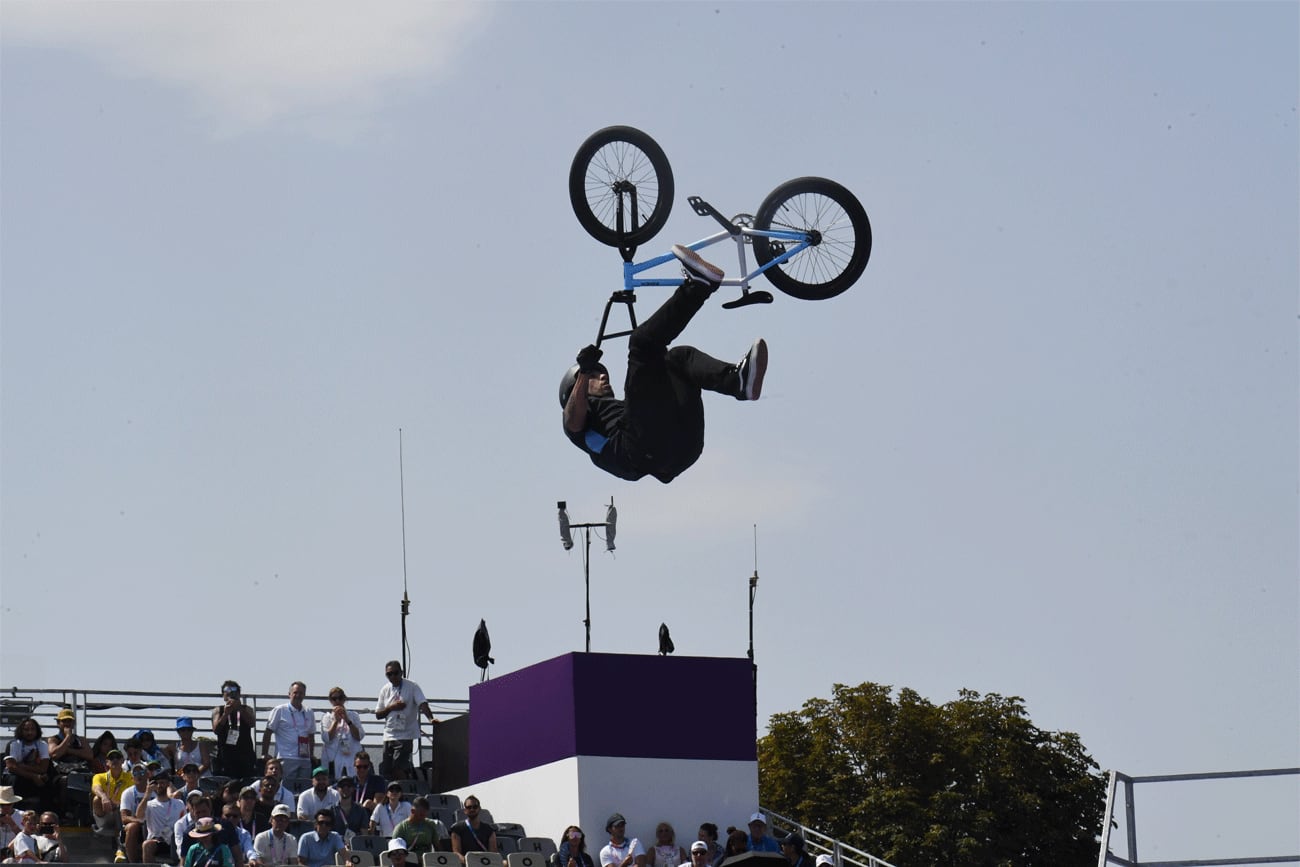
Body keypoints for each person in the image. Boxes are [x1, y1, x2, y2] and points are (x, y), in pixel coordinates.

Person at [560, 246, 767, 484]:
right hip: (639, 449)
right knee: (641, 343)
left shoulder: (622, 412)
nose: (603, 377)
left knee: (678, 359)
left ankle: (737, 381)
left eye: (600, 373)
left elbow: (649, 398)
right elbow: (573, 420)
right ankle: (698, 287)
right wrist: (585, 370)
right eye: (595, 376)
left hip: (683, 447)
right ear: (574, 388)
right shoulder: (581, 428)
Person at [374, 663, 437, 781]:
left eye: (395, 673)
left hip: (406, 734)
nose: (392, 676)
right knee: (387, 769)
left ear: (401, 672)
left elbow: (422, 703)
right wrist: (391, 707)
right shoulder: (385, 689)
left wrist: (430, 718)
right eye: (389, 674)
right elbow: (378, 714)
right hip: (389, 734)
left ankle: (404, 790)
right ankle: (392, 791)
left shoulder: (412, 686)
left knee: (398, 766)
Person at [262, 683, 315, 789]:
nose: (298, 695)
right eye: (295, 692)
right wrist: (264, 753)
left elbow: (311, 735)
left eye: (301, 693)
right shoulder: (280, 710)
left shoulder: (309, 712)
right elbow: (268, 732)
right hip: (286, 757)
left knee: (304, 789)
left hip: (304, 758)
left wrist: (311, 754)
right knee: (285, 788)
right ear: (289, 694)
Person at [211, 682, 257, 780]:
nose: (231, 694)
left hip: (245, 754)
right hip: (225, 755)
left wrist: (239, 708)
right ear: (223, 695)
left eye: (234, 691)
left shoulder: (247, 709)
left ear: (239, 694)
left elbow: (252, 723)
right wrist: (226, 714)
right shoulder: (218, 710)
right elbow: (216, 729)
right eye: (227, 692)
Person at [319, 689, 364, 783]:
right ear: (330, 701)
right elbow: (326, 738)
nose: (337, 701)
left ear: (344, 699)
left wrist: (347, 720)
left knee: (352, 783)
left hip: (351, 756)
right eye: (334, 699)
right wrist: (335, 720)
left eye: (340, 698)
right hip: (333, 758)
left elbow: (359, 736)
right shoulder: (326, 717)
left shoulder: (354, 715)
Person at [4, 719, 51, 808]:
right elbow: (11, 767)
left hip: (34, 774)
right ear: (21, 731)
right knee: (16, 780)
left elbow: (43, 768)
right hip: (14, 776)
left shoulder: (42, 744)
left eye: (32, 729)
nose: (30, 732)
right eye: (26, 730)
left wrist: (21, 766)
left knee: (47, 781)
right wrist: (33, 776)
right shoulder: (14, 744)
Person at [141, 773, 186, 864]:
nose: (159, 786)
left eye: (162, 783)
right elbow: (139, 816)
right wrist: (147, 795)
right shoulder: (149, 805)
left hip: (175, 840)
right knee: (147, 845)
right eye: (156, 783)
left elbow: (184, 823)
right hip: (157, 841)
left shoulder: (179, 803)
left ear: (168, 784)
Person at [91, 749, 132, 838]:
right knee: (97, 799)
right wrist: (104, 797)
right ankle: (102, 826)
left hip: (122, 812)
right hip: (106, 813)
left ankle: (120, 840)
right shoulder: (99, 776)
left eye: (118, 757)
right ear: (107, 762)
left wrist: (119, 805)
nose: (115, 760)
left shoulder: (130, 777)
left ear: (122, 761)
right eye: (111, 758)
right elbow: (96, 788)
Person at [118, 763, 154, 863]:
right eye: (135, 773)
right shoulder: (127, 793)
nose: (139, 775)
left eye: (142, 772)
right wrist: (140, 821)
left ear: (147, 775)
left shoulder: (155, 789)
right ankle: (133, 863)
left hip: (154, 824)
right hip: (138, 825)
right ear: (132, 777)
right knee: (133, 826)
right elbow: (124, 818)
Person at [448, 794, 496, 862]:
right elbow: (457, 853)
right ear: (465, 810)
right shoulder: (457, 829)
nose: (472, 809)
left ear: (479, 809)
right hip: (467, 863)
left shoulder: (489, 830)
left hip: (485, 862)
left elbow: (493, 853)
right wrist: (469, 863)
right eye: (469, 807)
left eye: (475, 807)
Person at [0, 786, 23, 854]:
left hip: (15, 852)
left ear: (13, 803)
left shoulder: (22, 815)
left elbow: (26, 836)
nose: (5, 807)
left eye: (8, 804)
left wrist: (12, 824)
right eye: (2, 805)